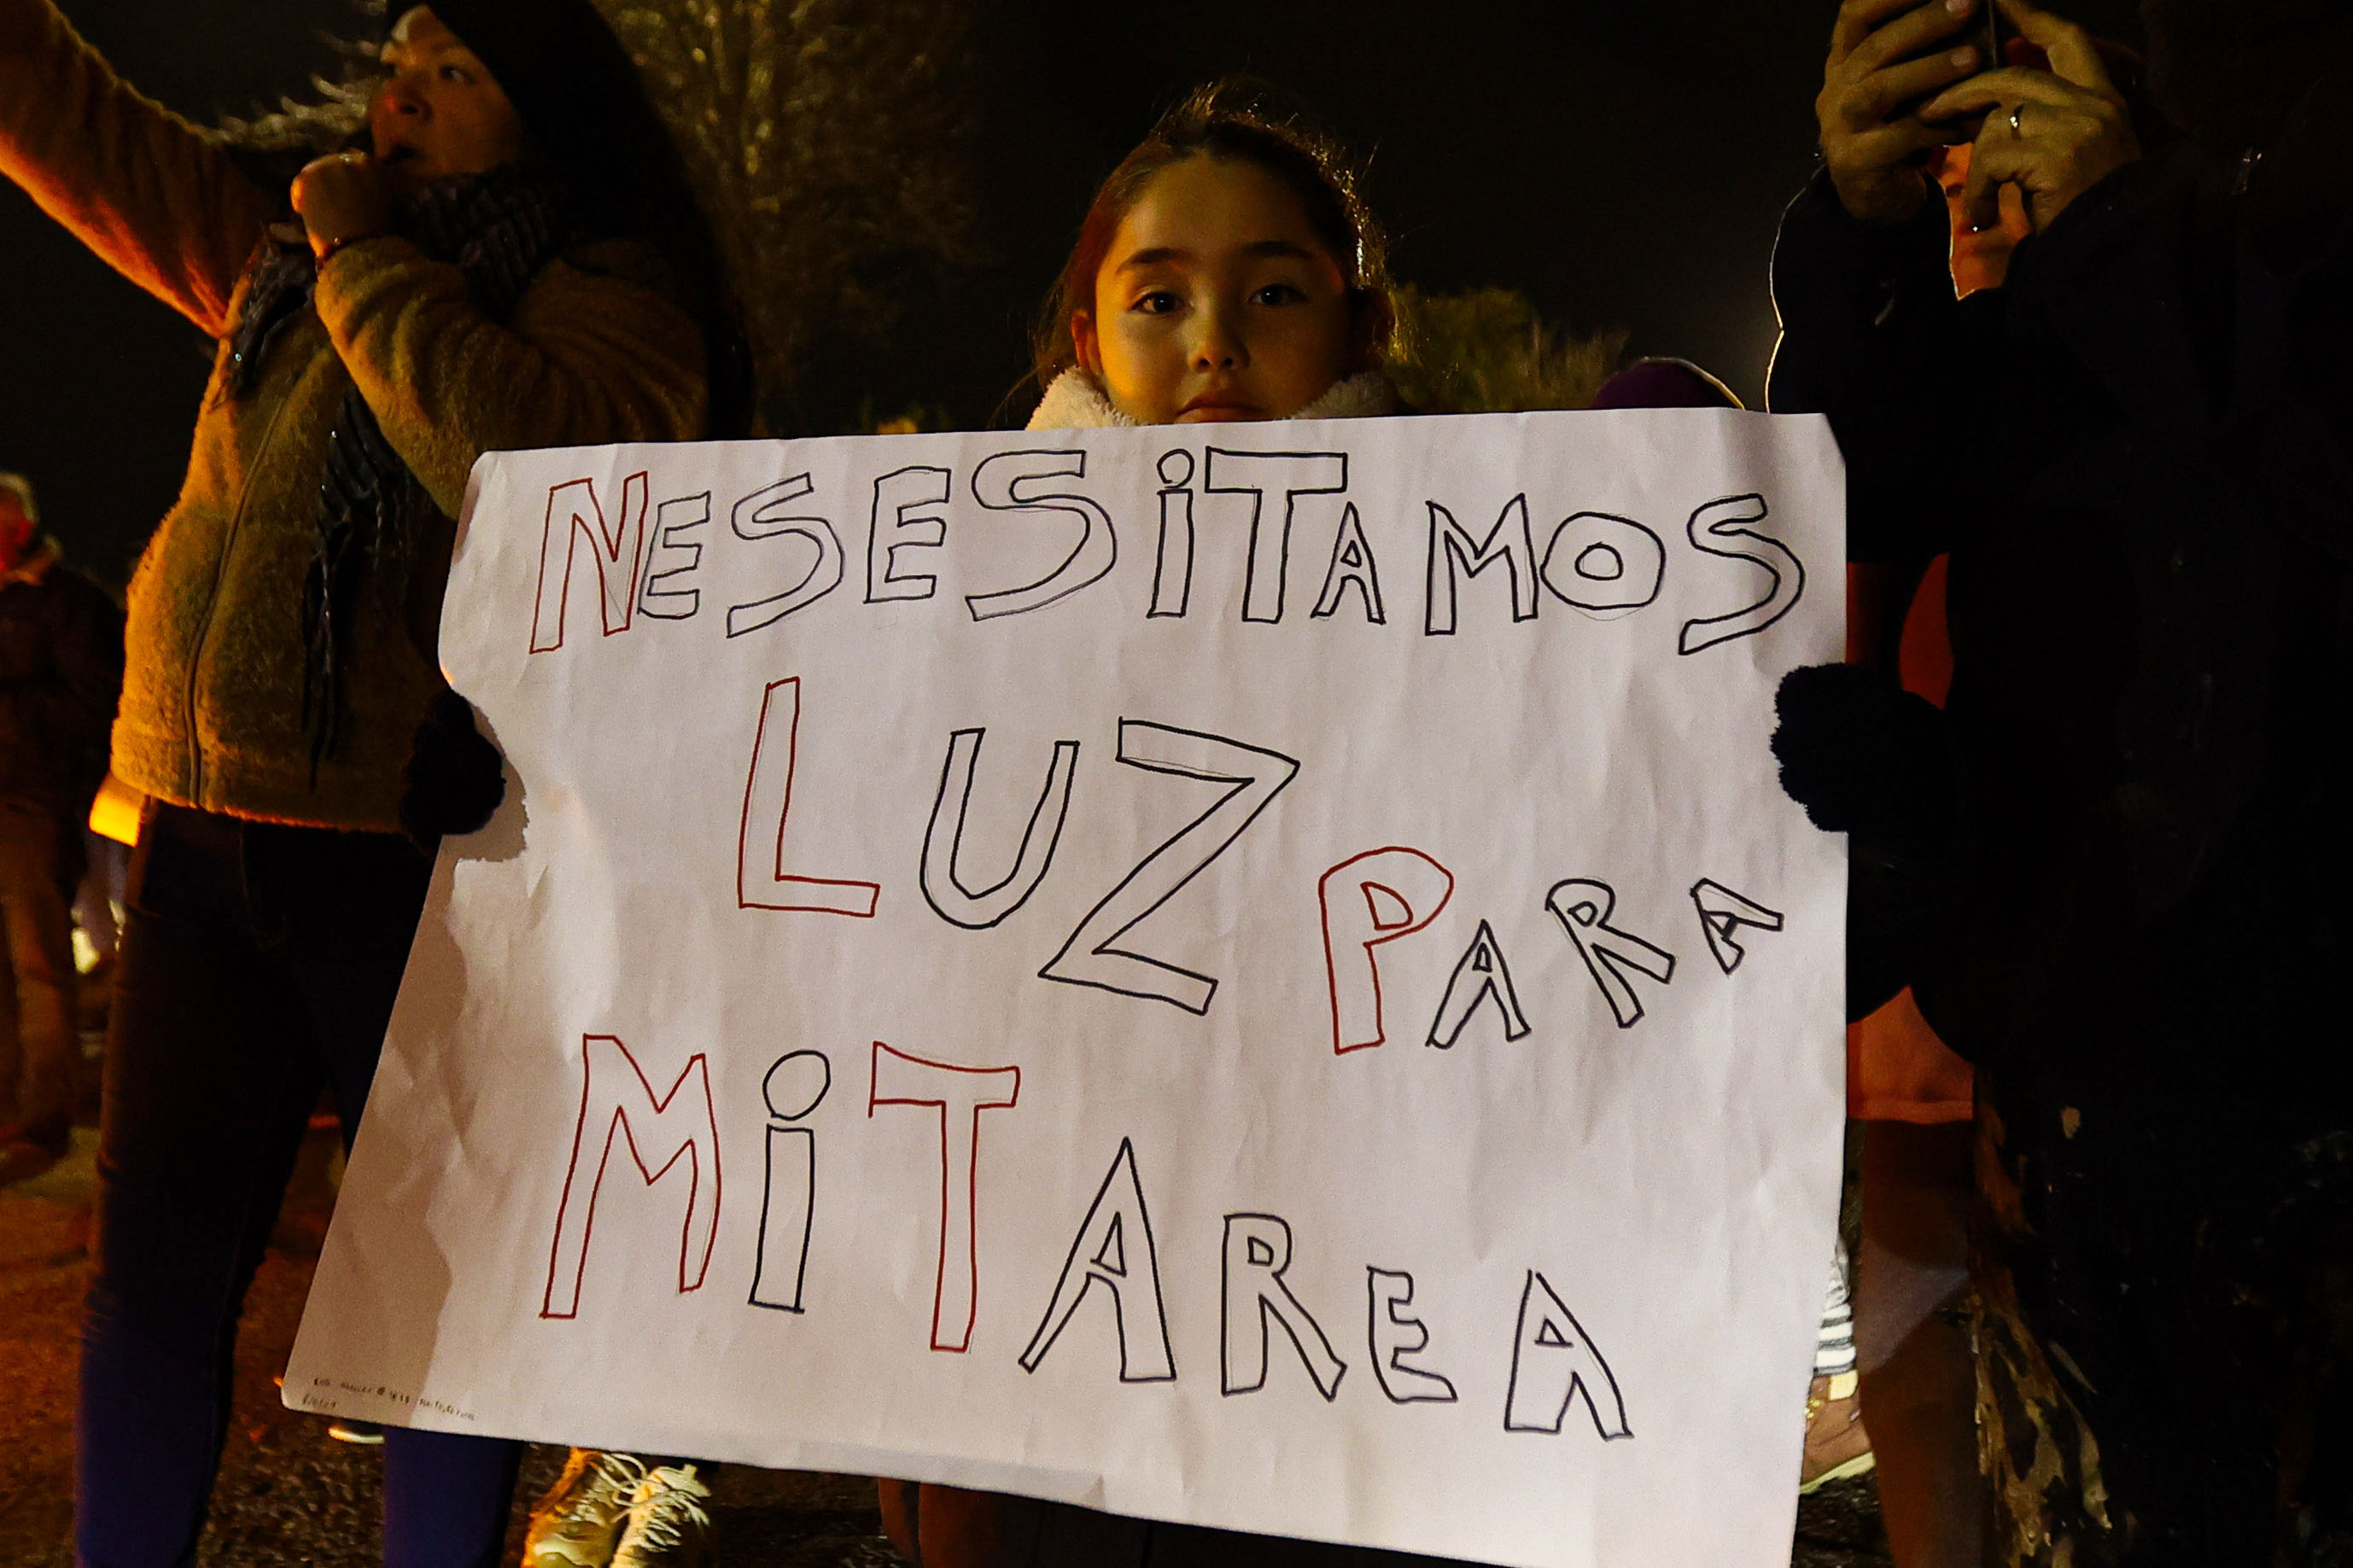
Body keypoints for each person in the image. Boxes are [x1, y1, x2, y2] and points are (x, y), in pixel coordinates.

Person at [880, 79, 1758, 1568]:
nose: (1212, 337)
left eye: (1271, 288)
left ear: (1362, 324)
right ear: (1086, 337)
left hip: (1367, 1347)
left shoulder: (1494, 593)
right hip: (1039, 1341)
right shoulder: (930, 600)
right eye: (1158, 294)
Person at [0, 0, 737, 1559]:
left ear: (546, 107)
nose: (402, 102)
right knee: (153, 1280)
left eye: (455, 70)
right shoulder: (280, 252)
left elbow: (531, 463)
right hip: (203, 827)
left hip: (418, 855)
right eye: (397, 69)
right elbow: (91, 138)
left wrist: (364, 266)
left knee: (425, 1303)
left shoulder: (607, 295)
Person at [1771, 0, 2353, 1559]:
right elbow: (1864, 492)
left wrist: (2128, 232)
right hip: (2068, 1108)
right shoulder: (2068, 271)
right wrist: (1860, 234)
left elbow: (2271, 545)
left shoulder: (2243, 202)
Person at [0, 470, 122, 1184]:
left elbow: (97, 699)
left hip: (34, 804)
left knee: (42, 964)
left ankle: (45, 1116)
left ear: (21, 527)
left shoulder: (68, 603)